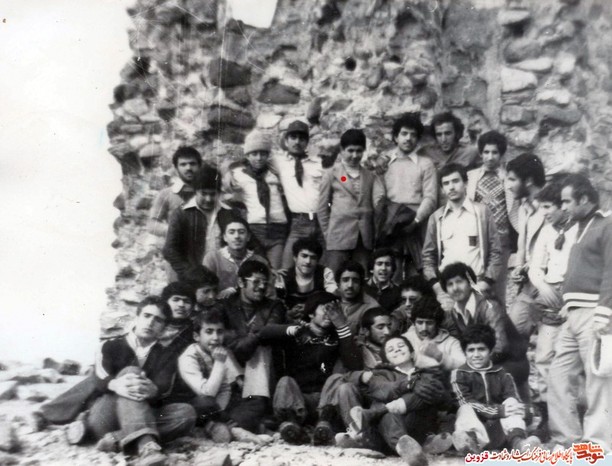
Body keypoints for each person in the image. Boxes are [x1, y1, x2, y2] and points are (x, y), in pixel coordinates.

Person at [66, 297, 196, 465]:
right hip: (105, 416)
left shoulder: (166, 354)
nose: (150, 322)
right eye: (147, 316)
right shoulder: (111, 345)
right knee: (131, 372)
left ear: (164, 327)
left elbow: (164, 386)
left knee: (187, 413)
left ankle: (116, 440)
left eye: (158, 320)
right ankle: (146, 446)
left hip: (141, 416)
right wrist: (115, 384)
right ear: (137, 317)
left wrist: (154, 391)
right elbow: (99, 375)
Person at [548, 174, 612, 451]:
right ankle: (566, 440)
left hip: (594, 314)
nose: (563, 207)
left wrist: (604, 313)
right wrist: (568, 302)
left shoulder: (607, 225)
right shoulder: (577, 228)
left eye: (566, 201)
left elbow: (611, 271)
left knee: (598, 381)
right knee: (558, 375)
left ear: (584, 199)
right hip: (573, 315)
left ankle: (598, 445)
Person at [259, 292, 362, 445]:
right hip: (298, 401)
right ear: (311, 313)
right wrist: (294, 330)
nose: (330, 314)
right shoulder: (298, 333)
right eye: (326, 309)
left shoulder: (337, 336)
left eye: (335, 310)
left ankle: (323, 425)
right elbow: (264, 333)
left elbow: (355, 365)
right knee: (285, 381)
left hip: (326, 401)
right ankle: (292, 427)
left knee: (337, 378)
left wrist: (342, 326)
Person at [346, 335, 449, 465]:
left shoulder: (426, 373)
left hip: (417, 427)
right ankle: (406, 448)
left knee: (427, 391)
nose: (397, 350)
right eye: (390, 350)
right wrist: (410, 384)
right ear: (387, 360)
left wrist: (428, 390)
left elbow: (444, 400)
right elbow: (384, 391)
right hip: (388, 428)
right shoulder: (381, 374)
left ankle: (382, 419)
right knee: (386, 409)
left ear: (412, 353)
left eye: (401, 346)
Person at [526, 178, 576, 440]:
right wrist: (543, 286)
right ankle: (546, 415)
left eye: (547, 207)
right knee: (544, 356)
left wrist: (568, 295)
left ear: (561, 206)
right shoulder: (546, 232)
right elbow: (535, 267)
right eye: (541, 207)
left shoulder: (577, 229)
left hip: (572, 296)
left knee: (569, 360)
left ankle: (574, 416)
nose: (544, 213)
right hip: (550, 295)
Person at [440, 263, 530, 400]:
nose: (455, 288)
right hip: (486, 362)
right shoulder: (455, 312)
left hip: (512, 362)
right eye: (450, 284)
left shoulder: (489, 306)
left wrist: (473, 367)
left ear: (470, 283)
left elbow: (500, 347)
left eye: (459, 282)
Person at [178, 310, 268, 444]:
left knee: (256, 402)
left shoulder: (218, 351)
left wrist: (222, 412)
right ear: (196, 336)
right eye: (209, 332)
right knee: (205, 403)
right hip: (196, 405)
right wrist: (219, 362)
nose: (215, 337)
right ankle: (234, 428)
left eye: (219, 332)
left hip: (217, 407)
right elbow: (206, 392)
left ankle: (225, 426)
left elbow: (225, 388)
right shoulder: (188, 357)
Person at [422, 163, 502, 309]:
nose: (451, 187)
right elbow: (428, 257)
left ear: (465, 183)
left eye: (455, 181)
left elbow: (495, 251)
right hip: (448, 288)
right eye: (446, 183)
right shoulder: (436, 218)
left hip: (477, 285)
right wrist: (438, 289)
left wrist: (486, 282)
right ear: (442, 189)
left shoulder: (482, 212)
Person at [451, 324, 540, 453]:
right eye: (471, 350)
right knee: (465, 408)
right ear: (465, 352)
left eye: (481, 349)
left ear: (491, 351)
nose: (476, 355)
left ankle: (519, 444)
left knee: (511, 402)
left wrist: (523, 410)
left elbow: (514, 398)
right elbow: (466, 401)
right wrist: (499, 410)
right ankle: (471, 445)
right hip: (478, 429)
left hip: (499, 429)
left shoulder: (502, 374)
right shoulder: (459, 374)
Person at [217, 260, 286, 421]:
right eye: (256, 282)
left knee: (262, 348)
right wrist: (253, 337)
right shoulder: (224, 306)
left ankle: (256, 400)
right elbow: (220, 336)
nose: (261, 287)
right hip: (233, 370)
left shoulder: (275, 306)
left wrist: (241, 339)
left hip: (262, 371)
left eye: (265, 283)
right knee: (219, 347)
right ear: (241, 282)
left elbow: (268, 333)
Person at [372, 112, 438, 278]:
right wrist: (386, 219)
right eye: (404, 134)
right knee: (391, 272)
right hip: (392, 226)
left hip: (417, 225)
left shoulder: (425, 164)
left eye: (413, 135)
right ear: (396, 137)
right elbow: (378, 195)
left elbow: (430, 197)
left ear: (418, 139)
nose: (408, 138)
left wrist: (416, 221)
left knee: (417, 274)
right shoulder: (385, 163)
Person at [223, 130, 289, 269]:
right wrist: (228, 172)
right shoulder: (238, 175)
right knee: (256, 270)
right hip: (254, 230)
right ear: (247, 156)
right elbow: (226, 193)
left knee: (276, 271)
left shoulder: (275, 172)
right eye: (254, 154)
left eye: (263, 154)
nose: (259, 158)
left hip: (277, 230)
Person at [466, 131, 514, 305]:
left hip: (501, 239)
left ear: (501, 154)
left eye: (495, 152)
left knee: (497, 288)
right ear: (481, 153)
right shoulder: (471, 176)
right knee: (476, 285)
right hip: (477, 238)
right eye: (486, 152)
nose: (490, 157)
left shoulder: (508, 177)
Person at [271, 119, 326, 269]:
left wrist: (345, 178)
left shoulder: (318, 163)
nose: (297, 142)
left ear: (307, 142)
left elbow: (340, 177)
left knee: (325, 268)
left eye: (302, 138)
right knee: (286, 268)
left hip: (322, 222)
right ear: (286, 140)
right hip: (299, 224)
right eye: (293, 137)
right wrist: (232, 169)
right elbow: (252, 159)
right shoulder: (278, 162)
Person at [317, 128, 374, 273]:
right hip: (339, 237)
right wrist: (329, 234)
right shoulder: (332, 174)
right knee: (334, 275)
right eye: (350, 150)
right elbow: (322, 209)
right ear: (342, 151)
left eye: (359, 151)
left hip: (363, 239)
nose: (354, 155)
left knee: (361, 276)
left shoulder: (369, 176)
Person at [505, 153, 546, 338]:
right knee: (512, 333)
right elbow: (522, 246)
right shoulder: (522, 208)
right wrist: (518, 268)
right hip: (528, 285)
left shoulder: (551, 206)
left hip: (549, 285)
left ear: (528, 180)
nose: (508, 185)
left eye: (512, 179)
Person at [163, 164, 223, 281]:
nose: (208, 199)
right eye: (203, 194)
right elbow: (170, 250)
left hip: (222, 275)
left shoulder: (227, 212)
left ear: (219, 193)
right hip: (193, 278)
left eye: (213, 194)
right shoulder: (181, 214)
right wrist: (190, 273)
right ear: (195, 191)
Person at [202, 210, 269, 298]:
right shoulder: (212, 259)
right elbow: (205, 291)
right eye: (231, 232)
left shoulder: (260, 261)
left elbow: (269, 294)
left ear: (248, 237)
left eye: (241, 232)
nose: (237, 236)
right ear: (225, 237)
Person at [274, 237, 337, 322]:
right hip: (291, 322)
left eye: (313, 258)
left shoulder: (325, 273)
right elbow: (279, 306)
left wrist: (309, 306)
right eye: (304, 256)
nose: (308, 261)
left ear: (318, 260)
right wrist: (289, 313)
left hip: (318, 321)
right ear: (295, 257)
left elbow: (333, 296)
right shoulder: (284, 276)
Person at [147, 146, 202, 241]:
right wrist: (174, 230)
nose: (188, 168)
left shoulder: (211, 193)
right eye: (183, 164)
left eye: (192, 164)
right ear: (176, 168)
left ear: (200, 166)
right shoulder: (166, 194)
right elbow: (152, 225)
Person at [403, 295, 465, 371]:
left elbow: (464, 367)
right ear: (414, 323)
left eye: (429, 323)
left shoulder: (451, 343)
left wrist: (438, 355)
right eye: (420, 322)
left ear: (437, 323)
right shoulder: (404, 340)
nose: (424, 328)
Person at [336, 261, 380, 335]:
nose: (350, 285)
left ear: (361, 284)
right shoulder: (328, 300)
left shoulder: (371, 307)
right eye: (345, 280)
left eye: (355, 281)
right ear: (338, 284)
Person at [363, 248, 402, 313]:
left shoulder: (398, 291)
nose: (383, 268)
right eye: (379, 264)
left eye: (388, 264)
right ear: (372, 269)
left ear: (392, 270)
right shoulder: (362, 286)